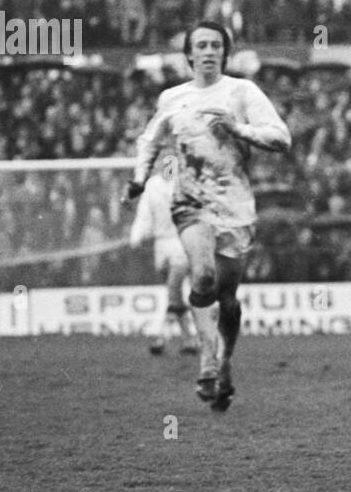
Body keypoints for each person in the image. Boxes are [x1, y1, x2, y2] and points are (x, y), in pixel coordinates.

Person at [124, 21, 291, 411]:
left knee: (229, 300)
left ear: (225, 53)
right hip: (190, 202)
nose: (209, 51)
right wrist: (137, 179)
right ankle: (208, 360)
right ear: (189, 55)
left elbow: (281, 137)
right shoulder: (173, 98)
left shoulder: (242, 91)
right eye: (201, 45)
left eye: (216, 44)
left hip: (234, 205)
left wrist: (238, 130)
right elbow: (150, 140)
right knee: (202, 276)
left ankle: (225, 361)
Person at [129, 167, 201, 356]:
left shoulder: (187, 184)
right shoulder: (153, 184)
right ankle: (189, 340)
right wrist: (136, 236)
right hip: (160, 245)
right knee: (174, 294)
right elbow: (144, 215)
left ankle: (161, 337)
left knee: (173, 288)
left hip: (181, 241)